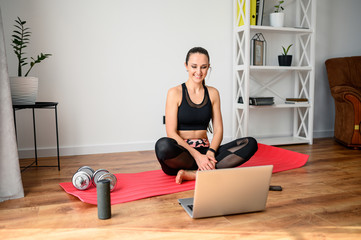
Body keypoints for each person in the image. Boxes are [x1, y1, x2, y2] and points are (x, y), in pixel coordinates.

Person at [155, 47, 258, 184]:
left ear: (209, 67)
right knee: (163, 145)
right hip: (182, 155)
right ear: (186, 66)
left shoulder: (213, 93)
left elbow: (218, 131)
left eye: (203, 67)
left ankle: (195, 174)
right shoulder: (175, 93)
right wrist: (197, 156)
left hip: (206, 151)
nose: (198, 72)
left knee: (250, 143)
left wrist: (210, 152)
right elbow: (171, 133)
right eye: (194, 66)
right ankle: (206, 169)